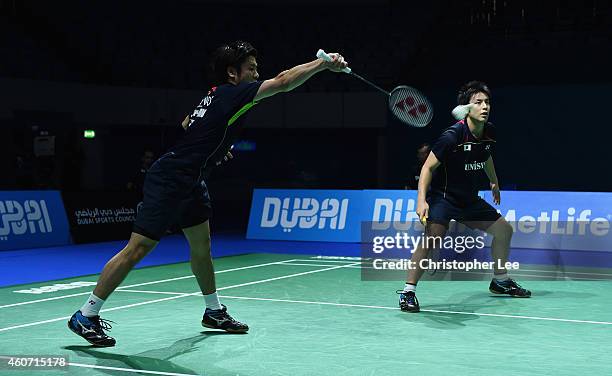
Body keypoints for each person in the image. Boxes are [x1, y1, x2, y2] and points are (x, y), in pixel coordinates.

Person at [68, 41, 348, 346]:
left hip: (192, 178)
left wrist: (215, 147)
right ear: (232, 73)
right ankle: (86, 314)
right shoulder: (233, 92)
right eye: (251, 69)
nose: (257, 74)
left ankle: (213, 312)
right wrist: (323, 64)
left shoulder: (214, 96)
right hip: (171, 177)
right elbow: (283, 82)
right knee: (138, 248)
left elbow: (188, 123)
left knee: (202, 247)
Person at [397, 81, 531, 313]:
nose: (485, 106)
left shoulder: (489, 131)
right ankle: (408, 291)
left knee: (504, 230)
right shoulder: (452, 136)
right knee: (432, 238)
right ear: (466, 108)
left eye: (487, 102)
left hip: (469, 199)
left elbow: (486, 154)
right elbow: (427, 168)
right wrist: (421, 200)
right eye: (478, 102)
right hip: (445, 197)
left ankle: (500, 281)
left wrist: (494, 181)